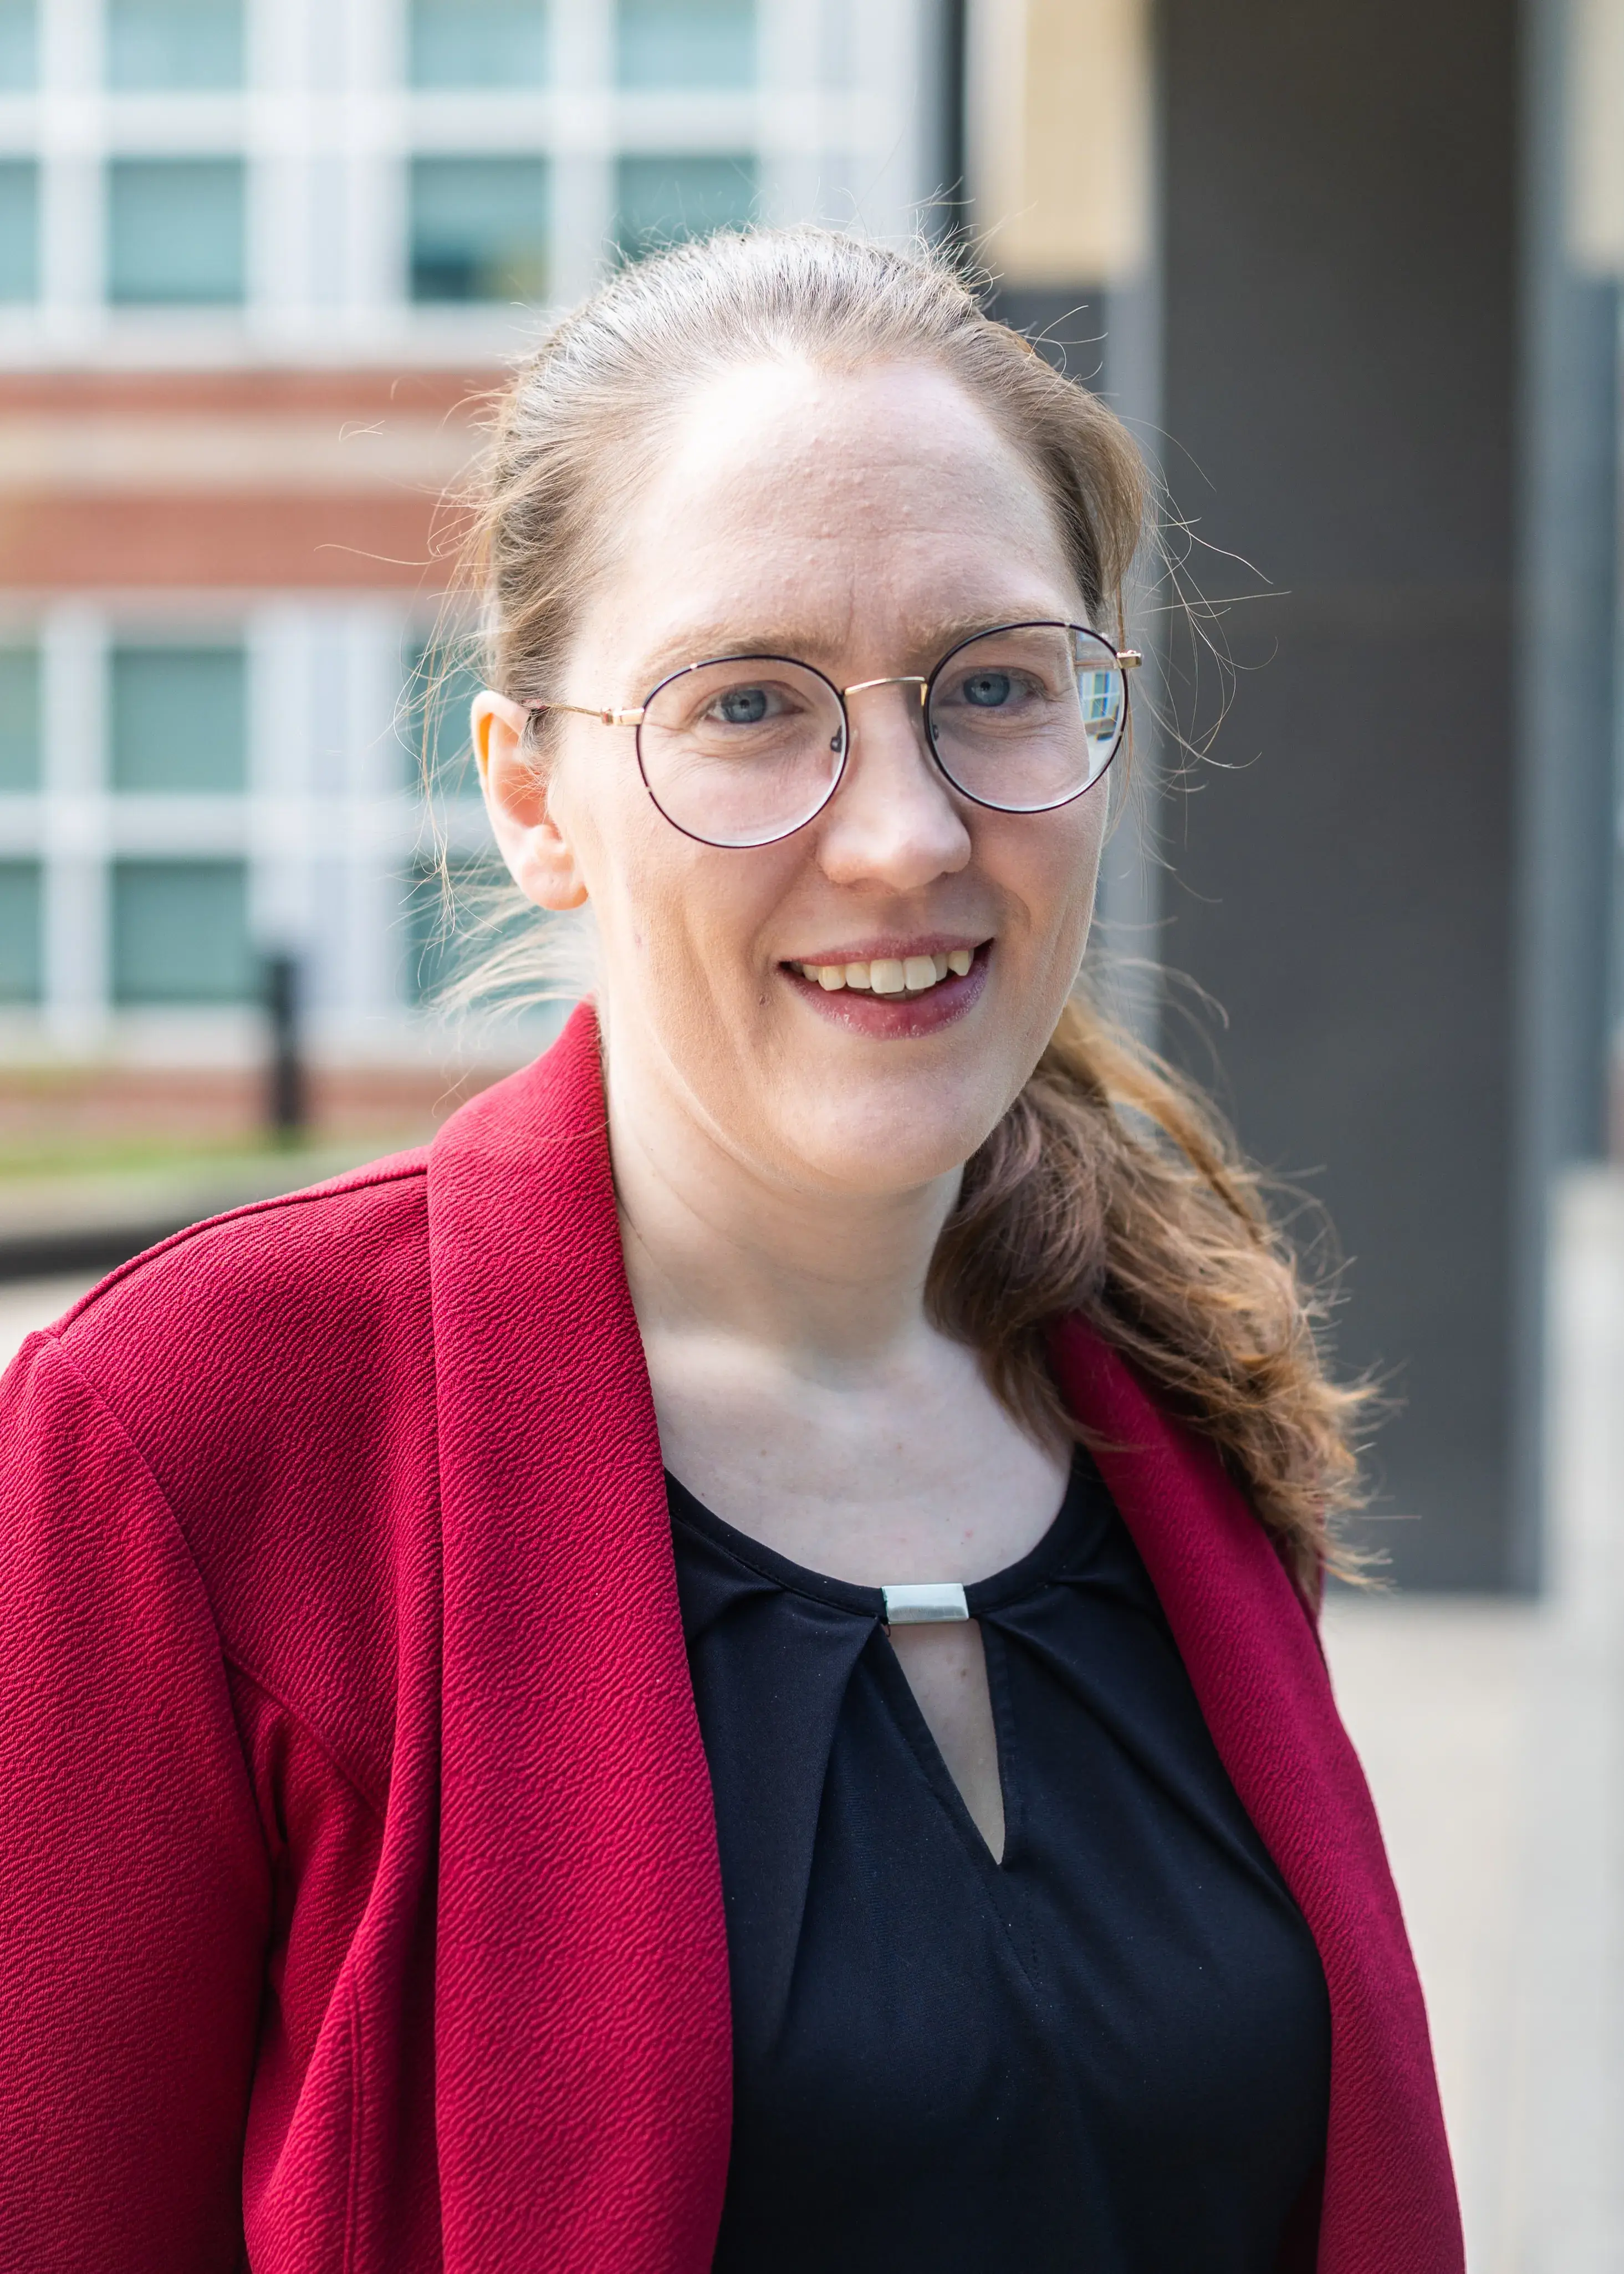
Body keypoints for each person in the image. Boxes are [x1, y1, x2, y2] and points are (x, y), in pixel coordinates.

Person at [0, 228, 1461, 2273]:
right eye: (753, 704)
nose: (906, 835)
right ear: (535, 797)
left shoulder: (1174, 1394)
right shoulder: (189, 1436)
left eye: (996, 686)